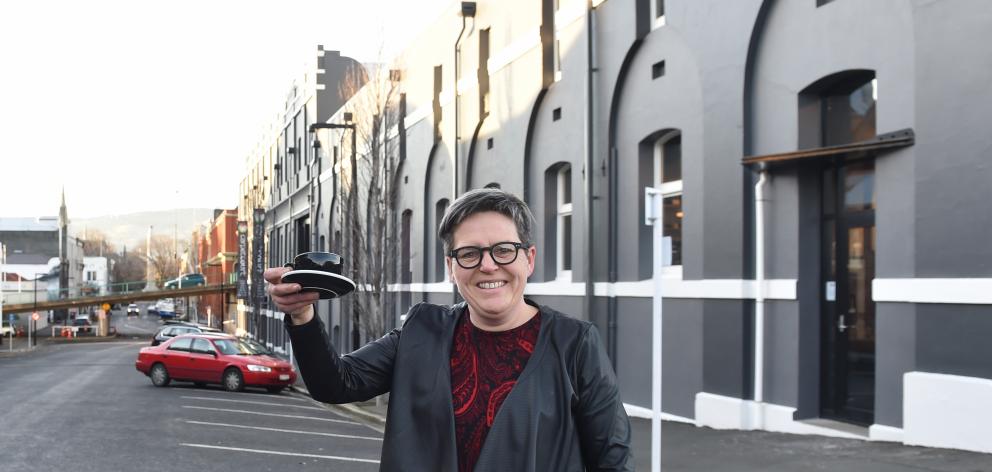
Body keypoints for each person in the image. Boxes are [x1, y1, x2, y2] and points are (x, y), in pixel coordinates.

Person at [265, 188, 633, 471]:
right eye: (469, 254)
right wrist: (302, 315)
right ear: (451, 267)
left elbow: (612, 460)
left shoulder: (574, 345)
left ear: (529, 259)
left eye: (504, 250)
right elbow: (334, 383)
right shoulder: (421, 332)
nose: (488, 266)